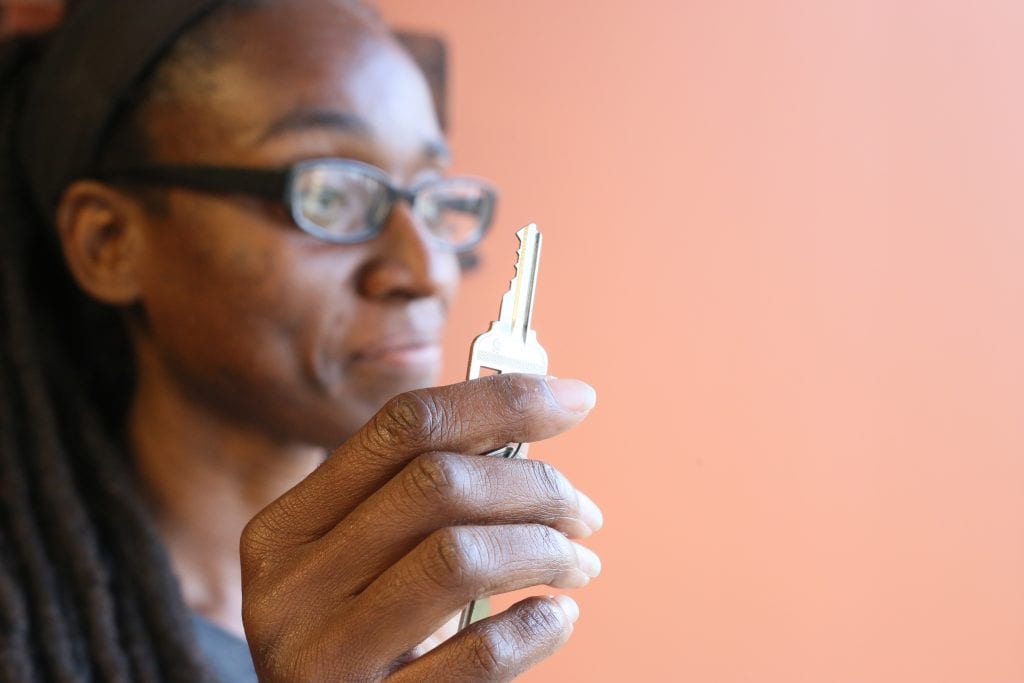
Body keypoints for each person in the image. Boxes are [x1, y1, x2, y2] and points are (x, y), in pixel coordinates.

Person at [0, 0, 603, 681]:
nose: (427, 269)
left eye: (430, 192)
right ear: (109, 243)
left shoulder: (438, 607)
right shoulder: (33, 632)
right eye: (331, 194)